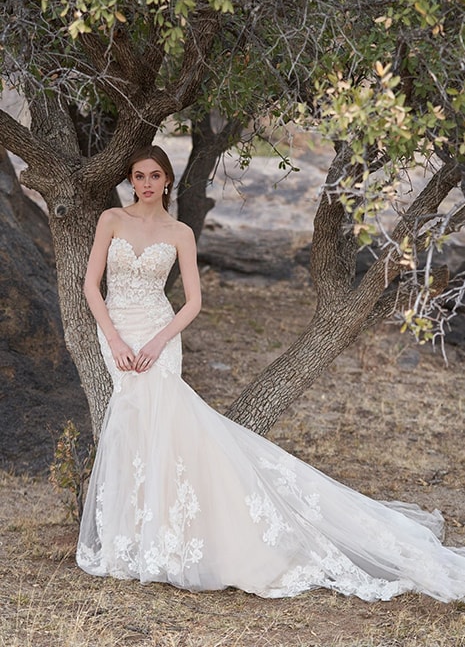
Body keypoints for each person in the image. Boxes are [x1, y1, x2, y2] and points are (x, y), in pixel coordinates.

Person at [77, 145, 465, 603]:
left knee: (166, 424)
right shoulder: (111, 220)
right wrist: (117, 340)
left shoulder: (180, 231)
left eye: (155, 175)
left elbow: (195, 302)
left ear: (167, 181)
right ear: (130, 179)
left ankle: (172, 536)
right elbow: (90, 286)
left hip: (160, 335)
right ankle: (136, 538)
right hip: (118, 332)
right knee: (132, 424)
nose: (145, 183)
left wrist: (160, 341)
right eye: (138, 175)